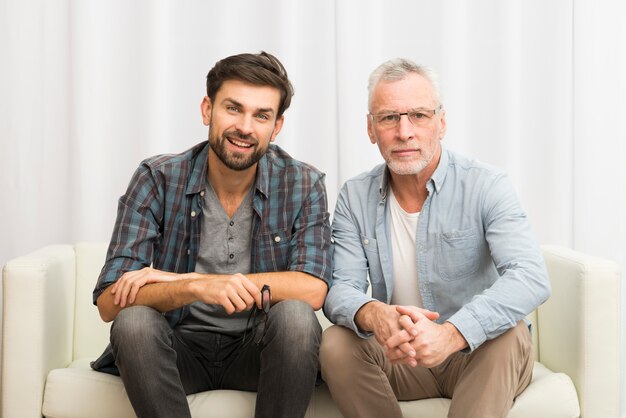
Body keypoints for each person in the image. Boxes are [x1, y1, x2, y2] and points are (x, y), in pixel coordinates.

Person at [91, 51, 332, 418]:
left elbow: (312, 289)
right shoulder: (157, 177)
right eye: (233, 108)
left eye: (261, 115)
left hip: (258, 350)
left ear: (276, 126)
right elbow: (110, 302)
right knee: (134, 322)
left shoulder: (302, 183)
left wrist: (196, 278)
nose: (246, 127)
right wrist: (194, 288)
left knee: (296, 318)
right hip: (178, 349)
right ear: (207, 109)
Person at [320, 58, 551, 418]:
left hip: (477, 354)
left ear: (441, 123)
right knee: (336, 343)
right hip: (403, 356)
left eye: (419, 116)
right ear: (371, 128)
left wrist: (452, 333)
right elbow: (340, 289)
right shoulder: (354, 196)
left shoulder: (486, 185)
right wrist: (373, 312)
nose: (404, 132)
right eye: (389, 118)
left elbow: (530, 276)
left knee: (509, 333)